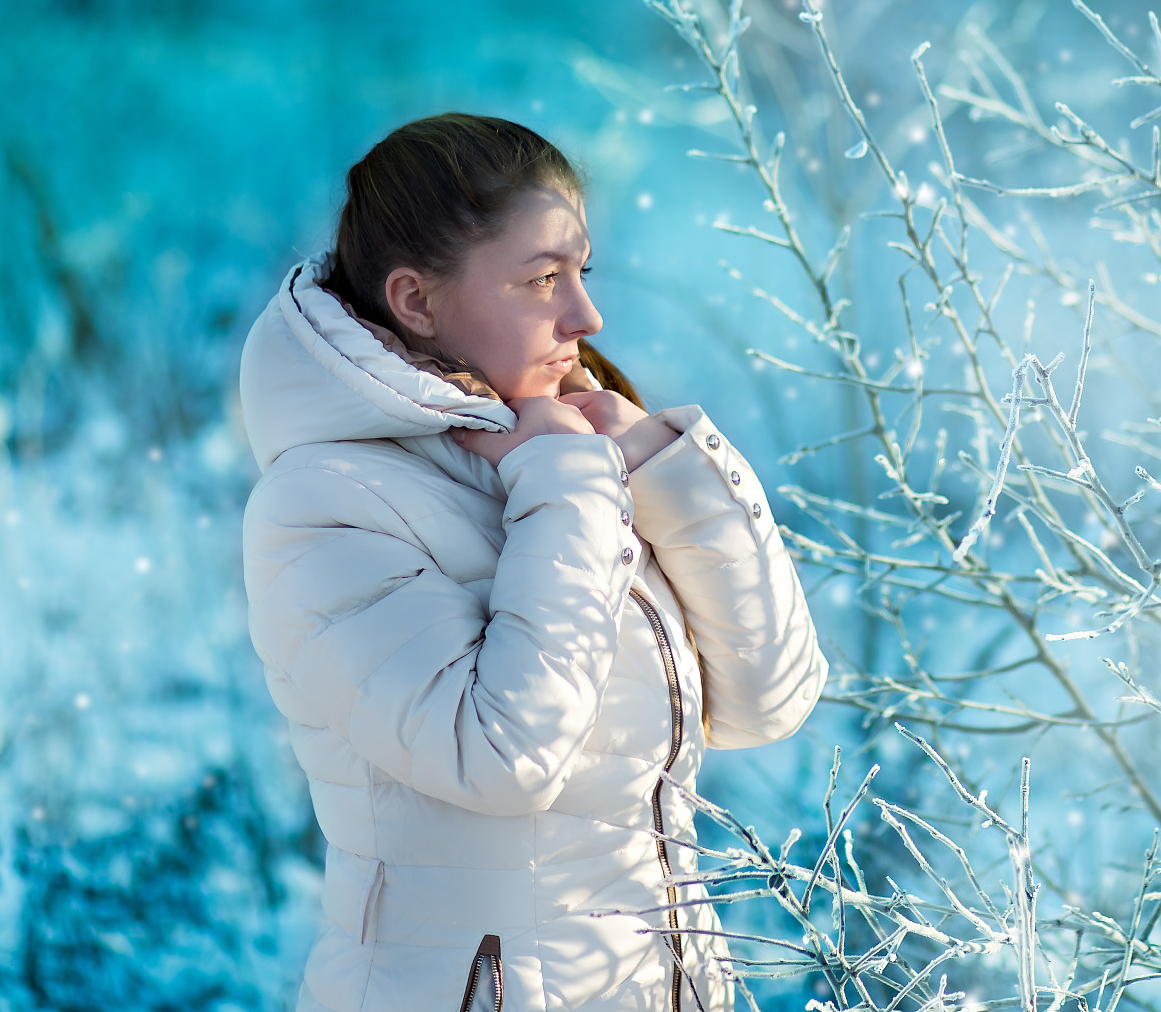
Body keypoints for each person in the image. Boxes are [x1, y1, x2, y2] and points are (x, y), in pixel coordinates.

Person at [237, 113, 827, 1012]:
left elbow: (767, 701)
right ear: (417, 301)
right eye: (541, 279)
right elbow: (502, 758)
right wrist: (564, 484)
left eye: (581, 271)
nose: (585, 316)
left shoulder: (574, 463)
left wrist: (665, 469)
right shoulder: (325, 506)